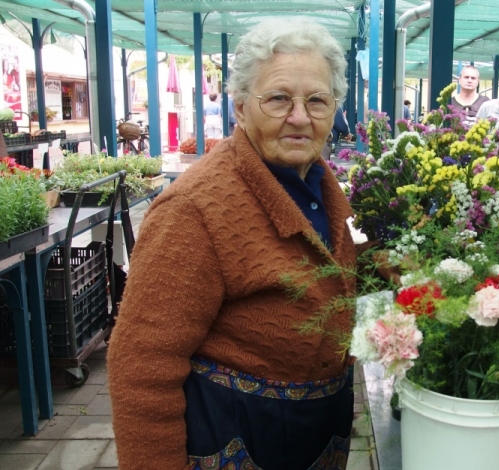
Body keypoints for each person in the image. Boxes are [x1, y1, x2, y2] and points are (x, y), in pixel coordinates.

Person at [108, 18, 358, 469]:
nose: (299, 116)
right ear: (240, 108)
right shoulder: (193, 210)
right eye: (279, 98)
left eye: (317, 100)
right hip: (234, 441)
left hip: (318, 436)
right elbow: (141, 369)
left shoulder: (321, 186)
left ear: (335, 107)